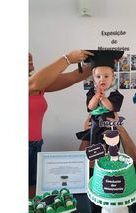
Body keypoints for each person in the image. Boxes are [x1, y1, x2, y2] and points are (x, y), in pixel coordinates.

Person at [29, 50, 94, 187]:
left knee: (31, 188)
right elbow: (33, 84)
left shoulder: (38, 85)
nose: (29, 55)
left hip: (35, 144)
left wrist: (103, 61)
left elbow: (73, 77)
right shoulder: (32, 84)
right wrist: (68, 58)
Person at [76, 50, 124, 146]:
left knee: (110, 144)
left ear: (112, 78)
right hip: (95, 123)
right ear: (93, 78)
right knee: (94, 143)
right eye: (98, 76)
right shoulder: (92, 92)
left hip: (109, 124)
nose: (102, 79)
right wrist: (96, 97)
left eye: (106, 76)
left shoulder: (114, 93)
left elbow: (111, 107)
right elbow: (90, 107)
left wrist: (103, 99)